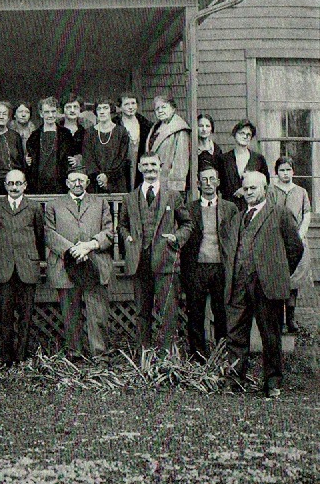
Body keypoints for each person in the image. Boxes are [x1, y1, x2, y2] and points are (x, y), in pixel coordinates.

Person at [225, 171, 303, 398]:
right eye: (246, 189)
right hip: (239, 283)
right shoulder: (239, 218)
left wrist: (277, 271)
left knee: (270, 336)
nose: (249, 193)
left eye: (253, 188)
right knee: (236, 335)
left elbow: (295, 248)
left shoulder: (279, 213)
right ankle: (235, 381)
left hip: (267, 286)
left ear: (265, 189)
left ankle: (272, 383)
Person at [119, 152, 193, 350]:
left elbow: (187, 224)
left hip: (165, 260)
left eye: (153, 164)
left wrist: (176, 238)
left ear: (160, 166)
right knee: (142, 312)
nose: (149, 168)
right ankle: (143, 354)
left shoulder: (172, 196)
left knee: (167, 312)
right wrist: (127, 237)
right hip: (139, 261)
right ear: (140, 168)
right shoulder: (130, 198)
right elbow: (122, 225)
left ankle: (167, 355)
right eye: (145, 165)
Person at [44, 169, 114, 357]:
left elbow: (109, 232)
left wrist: (90, 245)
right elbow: (49, 234)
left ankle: (99, 353)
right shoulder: (54, 205)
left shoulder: (100, 203)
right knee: (70, 312)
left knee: (97, 313)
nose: (77, 184)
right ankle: (74, 353)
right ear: (67, 183)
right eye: (73, 180)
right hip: (65, 264)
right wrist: (72, 250)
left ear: (87, 182)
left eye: (81, 180)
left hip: (94, 262)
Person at [180, 166, 239, 360]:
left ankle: (221, 354)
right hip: (196, 267)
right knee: (196, 313)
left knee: (221, 311)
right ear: (197, 184)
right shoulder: (189, 208)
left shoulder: (229, 208)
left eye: (212, 179)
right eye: (204, 180)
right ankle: (197, 356)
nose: (208, 183)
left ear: (218, 182)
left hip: (220, 268)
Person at [0, 169, 44, 364]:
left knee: (26, 315)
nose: (14, 187)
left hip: (27, 267)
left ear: (25, 185)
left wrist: (34, 258)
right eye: (10, 183)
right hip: (4, 267)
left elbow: (40, 236)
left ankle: (22, 356)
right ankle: (6, 358)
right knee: (5, 315)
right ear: (5, 185)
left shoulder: (34, 208)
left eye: (18, 183)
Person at [267, 156, 313, 334]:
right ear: (276, 172)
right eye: (281, 170)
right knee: (279, 280)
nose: (285, 174)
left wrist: (300, 234)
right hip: (278, 241)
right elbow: (269, 213)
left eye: (288, 170)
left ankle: (291, 319)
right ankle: (279, 321)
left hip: (297, 242)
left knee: (294, 281)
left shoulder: (301, 191)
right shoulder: (271, 191)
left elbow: (307, 214)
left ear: (293, 171)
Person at [219, 119, 269, 211]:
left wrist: (245, 189)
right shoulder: (223, 159)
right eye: (242, 133)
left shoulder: (258, 159)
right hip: (229, 207)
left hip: (252, 206)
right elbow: (219, 185)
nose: (245, 136)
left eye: (248, 134)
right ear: (235, 134)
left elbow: (265, 183)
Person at [82, 98, 131, 194]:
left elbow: (122, 158)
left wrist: (107, 176)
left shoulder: (121, 132)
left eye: (105, 108)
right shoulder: (89, 132)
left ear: (111, 110)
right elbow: (88, 157)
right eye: (99, 109)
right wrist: (99, 176)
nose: (102, 112)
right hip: (95, 181)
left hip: (116, 180)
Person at [144, 94, 190, 192]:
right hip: (153, 181)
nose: (160, 111)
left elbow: (181, 162)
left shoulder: (179, 130)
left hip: (169, 185)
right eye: (157, 109)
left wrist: (175, 189)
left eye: (164, 107)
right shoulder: (155, 128)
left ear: (173, 109)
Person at [26, 96, 68, 194]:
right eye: (47, 112)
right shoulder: (34, 136)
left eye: (53, 111)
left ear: (57, 112)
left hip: (59, 184)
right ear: (41, 114)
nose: (50, 115)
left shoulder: (65, 134)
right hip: (39, 184)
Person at [113, 92, 152, 189]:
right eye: (126, 104)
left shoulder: (145, 124)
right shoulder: (114, 124)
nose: (131, 107)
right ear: (120, 107)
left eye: (133, 103)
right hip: (121, 166)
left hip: (139, 163)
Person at [0, 101, 25, 195]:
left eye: (4, 114)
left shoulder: (15, 136)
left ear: (8, 117)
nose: (1, 116)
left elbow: (20, 161)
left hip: (11, 182)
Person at [60, 92, 86, 177]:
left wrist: (79, 159)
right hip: (60, 171)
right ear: (63, 109)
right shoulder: (57, 127)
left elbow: (92, 151)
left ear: (80, 109)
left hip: (81, 171)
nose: (72, 110)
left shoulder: (86, 128)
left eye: (75, 107)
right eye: (68, 107)